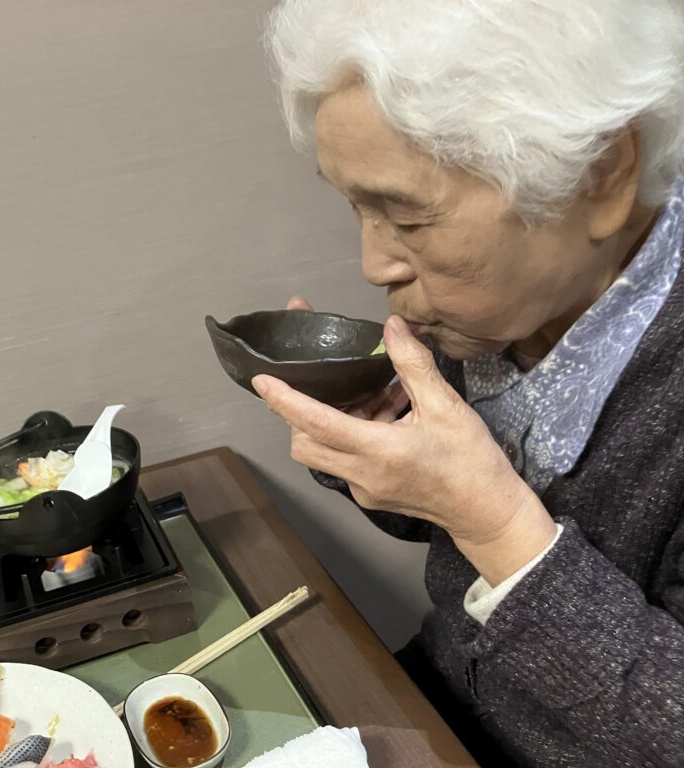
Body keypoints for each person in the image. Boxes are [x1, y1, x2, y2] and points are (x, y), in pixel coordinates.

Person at [257, 1, 684, 766]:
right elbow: (444, 534)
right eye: (356, 205)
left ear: (603, 173)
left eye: (407, 219)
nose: (373, 265)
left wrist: (495, 525)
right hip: (440, 709)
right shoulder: (499, 312)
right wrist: (384, 451)